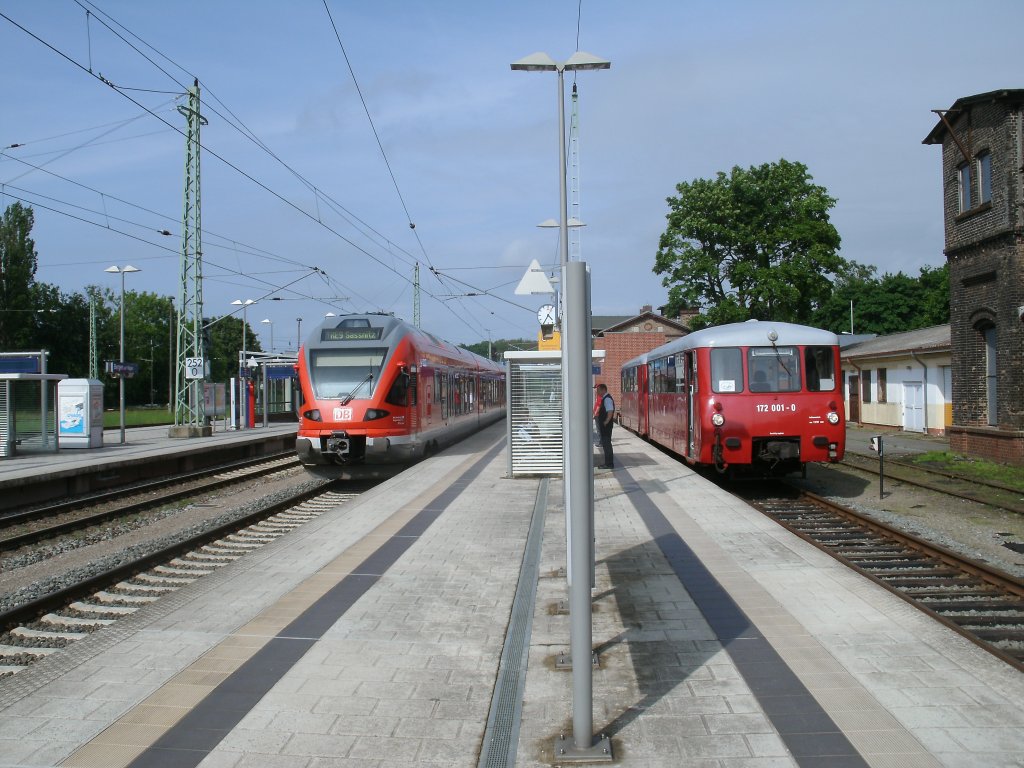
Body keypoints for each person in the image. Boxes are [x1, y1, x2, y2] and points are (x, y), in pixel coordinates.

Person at [595, 383, 615, 469]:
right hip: (605, 426)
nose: (597, 392)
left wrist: (605, 422)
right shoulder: (605, 398)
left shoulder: (607, 399)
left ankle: (609, 464)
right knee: (606, 444)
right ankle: (608, 463)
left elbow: (610, 411)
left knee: (607, 445)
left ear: (603, 390)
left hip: (606, 427)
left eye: (598, 390)